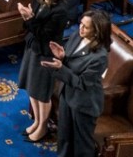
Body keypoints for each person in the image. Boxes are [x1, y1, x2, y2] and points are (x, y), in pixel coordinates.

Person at [41, 10, 112, 157]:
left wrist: (61, 67)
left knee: (82, 145)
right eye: (81, 23)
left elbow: (82, 83)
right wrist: (63, 57)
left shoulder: (100, 57)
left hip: (84, 104)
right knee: (64, 135)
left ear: (96, 32)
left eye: (85, 27)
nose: (80, 28)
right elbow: (72, 61)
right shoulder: (77, 36)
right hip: (67, 95)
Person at [17, 0, 67, 144]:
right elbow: (31, 27)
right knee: (32, 88)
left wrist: (29, 19)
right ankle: (37, 122)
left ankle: (43, 127)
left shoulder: (60, 11)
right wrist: (26, 17)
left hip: (46, 54)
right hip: (33, 48)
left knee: (42, 93)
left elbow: (45, 35)